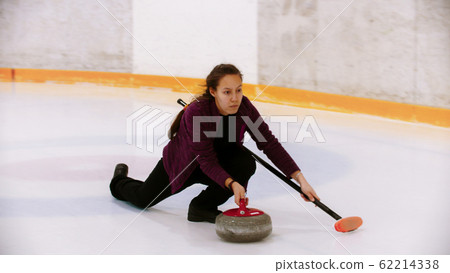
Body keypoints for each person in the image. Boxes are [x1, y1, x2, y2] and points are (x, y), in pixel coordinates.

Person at [109, 64, 319, 223]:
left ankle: (202, 207)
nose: (235, 98)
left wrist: (300, 178)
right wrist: (232, 183)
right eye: (227, 92)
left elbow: (269, 143)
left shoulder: (244, 108)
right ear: (213, 92)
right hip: (185, 165)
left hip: (218, 164)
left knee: (245, 163)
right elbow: (206, 160)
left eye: (239, 90)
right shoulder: (197, 112)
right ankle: (118, 181)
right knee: (143, 198)